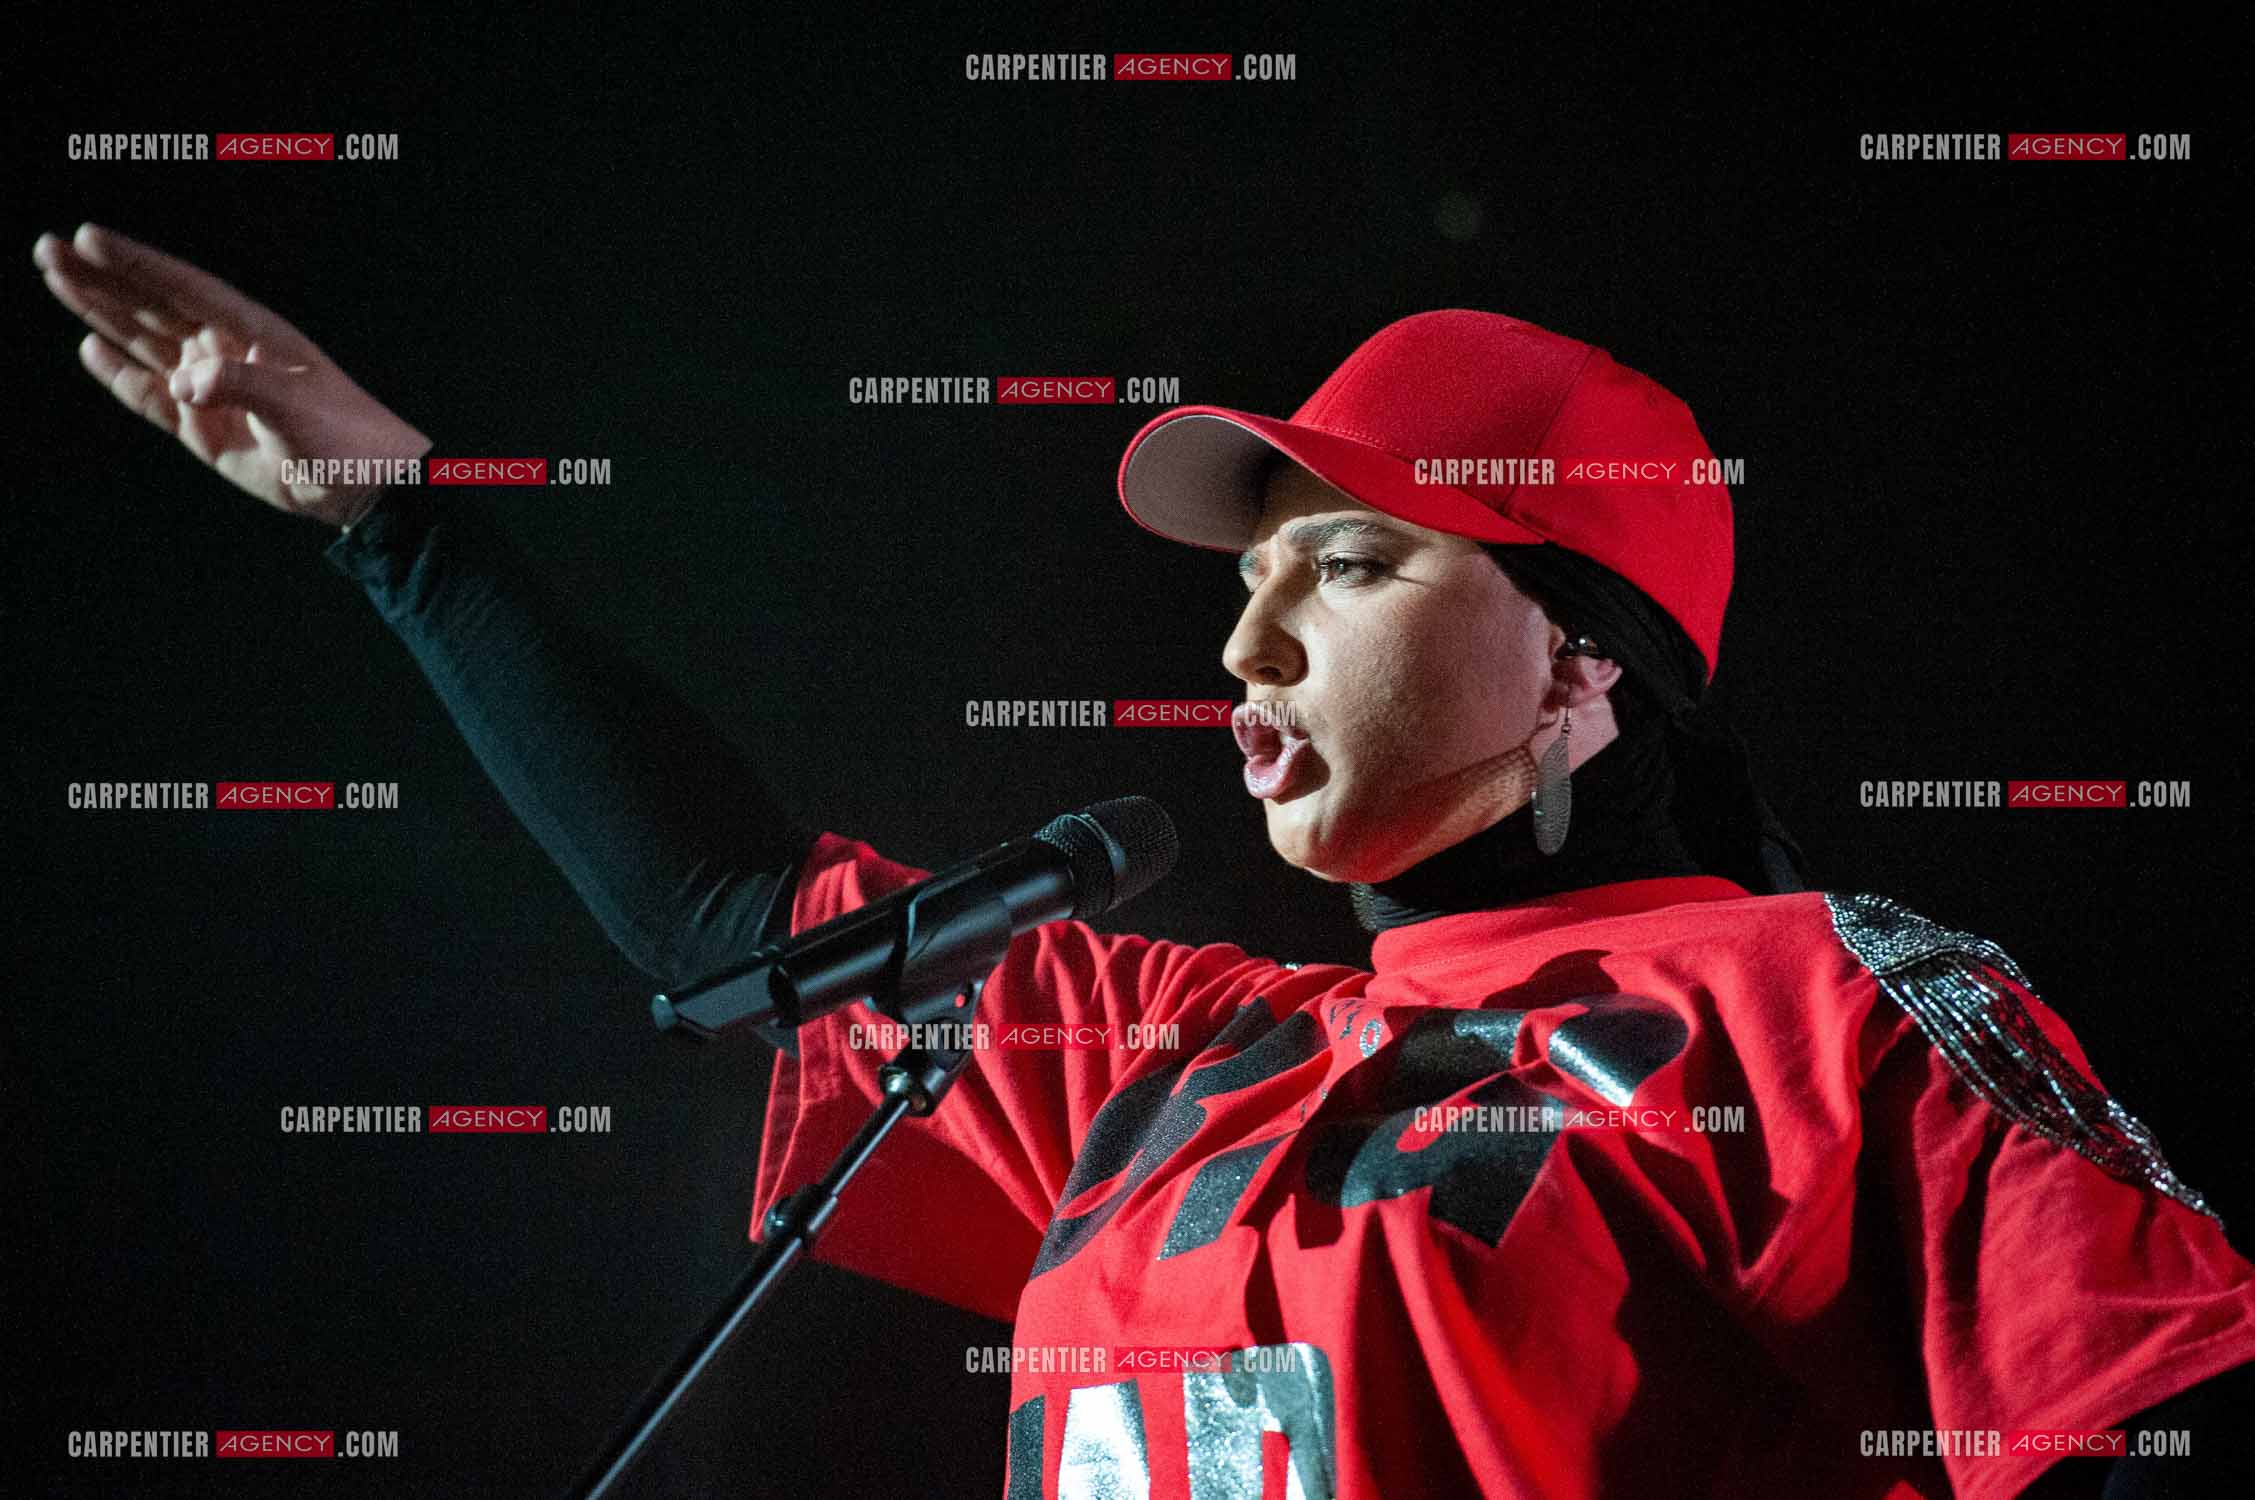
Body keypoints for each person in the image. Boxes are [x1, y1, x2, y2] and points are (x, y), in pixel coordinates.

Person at [35, 223, 2255, 1499]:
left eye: (1352, 563)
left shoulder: (1830, 1000)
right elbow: (732, 928)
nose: (1248, 631)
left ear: (1588, 673)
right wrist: (398, 523)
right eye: (1250, 575)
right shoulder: (1182, 1042)